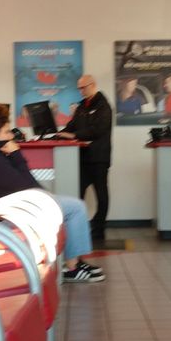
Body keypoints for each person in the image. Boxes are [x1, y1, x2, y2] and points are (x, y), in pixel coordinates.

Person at [0, 104, 104, 284]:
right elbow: (30, 186)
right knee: (76, 208)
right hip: (11, 216)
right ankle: (73, 268)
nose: (11, 136)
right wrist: (17, 155)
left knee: (71, 206)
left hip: (16, 208)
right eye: (7, 132)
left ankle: (75, 264)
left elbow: (27, 188)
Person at [56, 74, 113, 242]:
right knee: (76, 193)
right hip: (82, 158)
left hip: (99, 157)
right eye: (79, 88)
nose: (80, 91)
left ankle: (98, 230)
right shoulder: (82, 106)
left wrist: (73, 135)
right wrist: (59, 134)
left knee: (101, 195)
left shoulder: (104, 106)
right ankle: (76, 227)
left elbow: (98, 130)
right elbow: (71, 126)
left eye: (83, 87)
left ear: (93, 85)